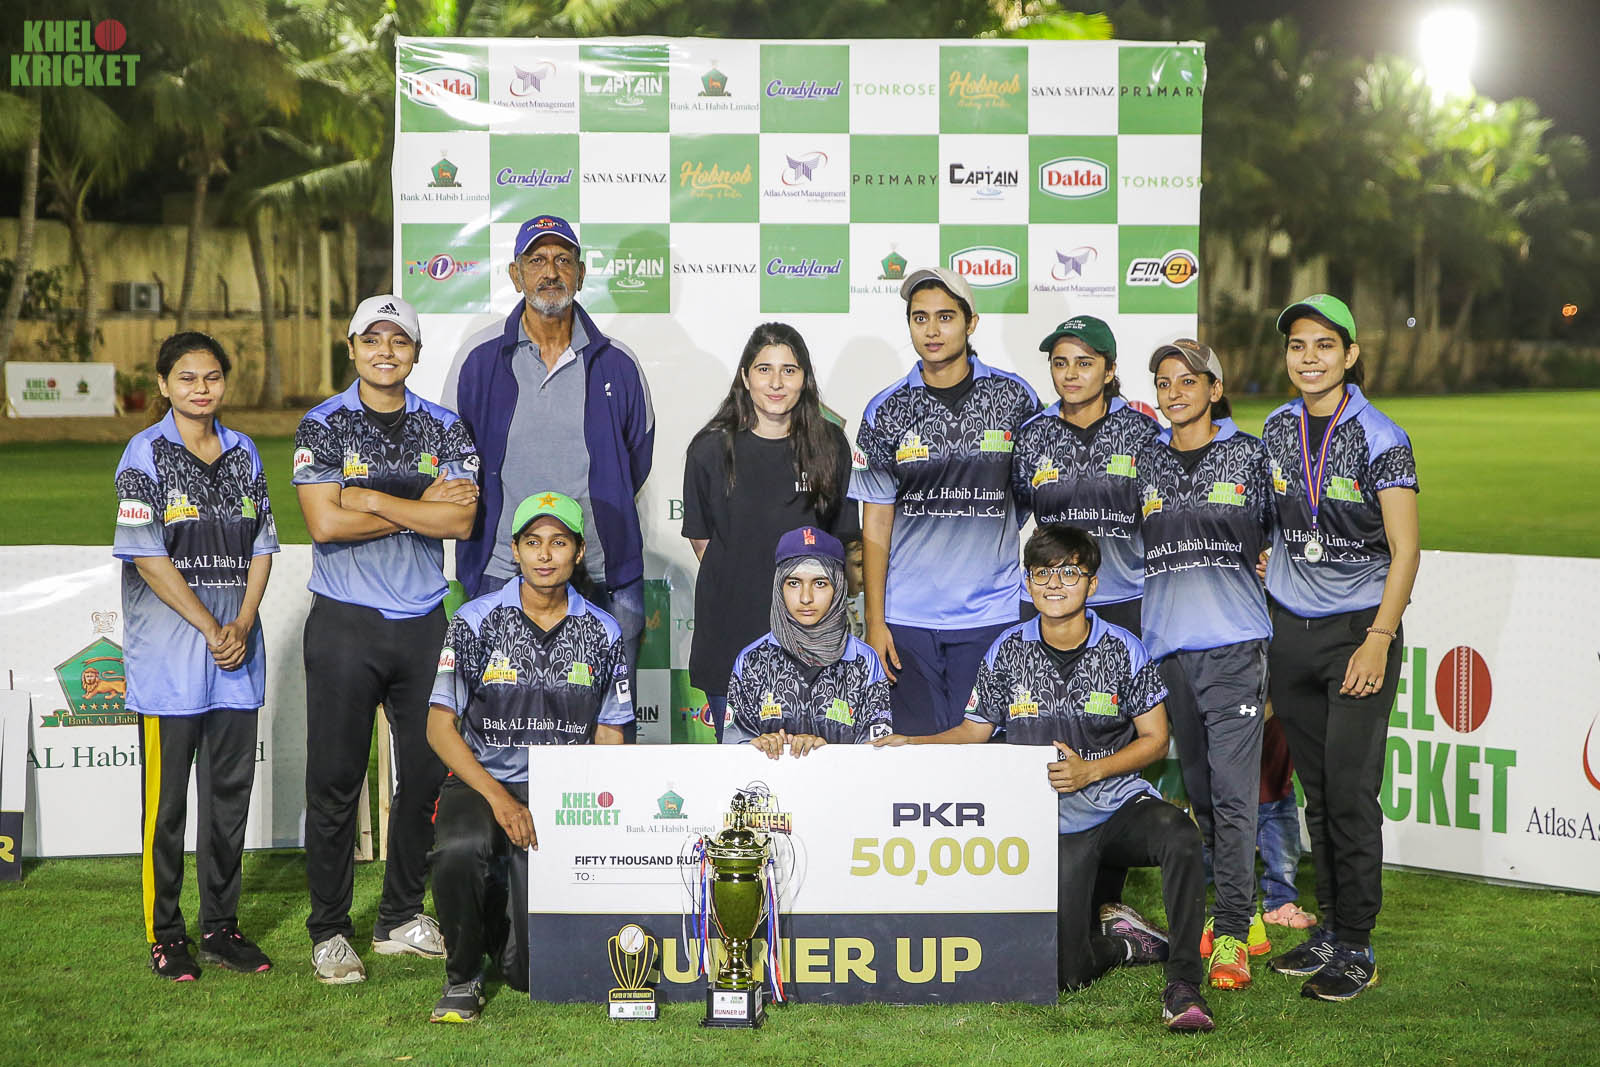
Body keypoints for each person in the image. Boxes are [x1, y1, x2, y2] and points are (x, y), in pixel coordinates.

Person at [875, 525, 1213, 1033]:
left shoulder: (1123, 648)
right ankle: (1126, 943)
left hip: (1115, 805)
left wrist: (1091, 770)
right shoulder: (1006, 650)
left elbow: (1155, 739)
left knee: (1180, 835)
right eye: (1042, 574)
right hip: (1045, 822)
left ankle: (1183, 982)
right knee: (1066, 973)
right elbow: (973, 731)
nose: (1055, 584)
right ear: (1027, 583)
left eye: (1069, 573)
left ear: (1092, 583)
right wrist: (914, 743)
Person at [293, 295, 480, 984]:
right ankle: (329, 929)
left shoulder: (445, 426)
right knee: (336, 779)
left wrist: (368, 498)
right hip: (345, 621)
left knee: (426, 773)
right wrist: (417, 509)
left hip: (424, 620)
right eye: (371, 339)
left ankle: (399, 914)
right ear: (351, 348)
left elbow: (459, 522)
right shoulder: (323, 423)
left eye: (398, 340)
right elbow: (324, 524)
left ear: (415, 354)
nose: (385, 351)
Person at [1260, 294, 1420, 1001]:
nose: (1310, 358)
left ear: (1350, 354)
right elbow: (1272, 519)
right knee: (1318, 794)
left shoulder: (1381, 435)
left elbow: (1406, 550)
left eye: (1325, 345)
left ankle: (1356, 942)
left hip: (1358, 632)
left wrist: (1378, 639)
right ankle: (1329, 928)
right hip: (1290, 631)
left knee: (1351, 794)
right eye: (1298, 345)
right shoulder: (1276, 428)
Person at [424, 492, 633, 1022]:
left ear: (578, 553)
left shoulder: (603, 631)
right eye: (533, 542)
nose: (544, 555)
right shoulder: (474, 621)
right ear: (514, 550)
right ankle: (462, 976)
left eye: (558, 543)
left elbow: (610, 731)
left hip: (562, 789)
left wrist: (591, 807)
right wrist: (499, 800)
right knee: (461, 848)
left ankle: (501, 918)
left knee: (527, 973)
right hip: (483, 780)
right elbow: (439, 728)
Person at [114, 331, 278, 980]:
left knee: (228, 803)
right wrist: (212, 625)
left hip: (236, 659)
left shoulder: (244, 452)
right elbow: (147, 558)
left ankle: (220, 927)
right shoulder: (145, 454)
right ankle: (166, 935)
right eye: (186, 378)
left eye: (211, 377)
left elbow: (262, 544)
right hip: (169, 667)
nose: (201, 388)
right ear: (163, 384)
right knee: (167, 811)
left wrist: (242, 621)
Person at [451, 214, 654, 729]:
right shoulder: (480, 363)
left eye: (563, 260)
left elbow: (635, 461)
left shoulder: (618, 364)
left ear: (581, 275)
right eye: (537, 260)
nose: (550, 272)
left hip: (604, 574)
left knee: (608, 727)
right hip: (501, 571)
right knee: (498, 725)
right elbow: (459, 462)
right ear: (515, 274)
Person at [1135, 338, 1274, 991]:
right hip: (1168, 646)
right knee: (1200, 790)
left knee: (1233, 793)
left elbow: (1290, 531)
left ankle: (1232, 933)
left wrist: (1276, 562)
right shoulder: (1144, 461)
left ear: (1215, 389)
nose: (1175, 392)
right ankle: (1244, 912)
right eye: (1165, 382)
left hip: (1235, 644)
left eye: (1188, 380)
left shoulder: (1252, 455)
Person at [850, 267, 1039, 736]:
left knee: (987, 755)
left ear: (971, 322)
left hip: (992, 614)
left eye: (945, 317)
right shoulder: (886, 409)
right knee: (916, 755)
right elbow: (876, 523)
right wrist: (875, 621)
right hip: (907, 620)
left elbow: (1028, 497)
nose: (932, 330)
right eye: (920, 318)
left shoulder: (1014, 398)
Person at [683, 324, 860, 741]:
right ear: (745, 377)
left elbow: (840, 542)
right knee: (741, 772)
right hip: (730, 634)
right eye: (764, 369)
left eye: (789, 370)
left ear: (805, 378)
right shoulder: (708, 449)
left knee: (815, 767)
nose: (776, 383)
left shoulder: (831, 445)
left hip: (814, 641)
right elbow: (703, 542)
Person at [1012, 316, 1160, 635]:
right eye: (1060, 363)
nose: (1070, 374)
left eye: (1084, 363)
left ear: (1109, 371)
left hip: (1127, 598)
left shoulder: (1144, 433)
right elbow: (1012, 514)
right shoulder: (1033, 435)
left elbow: (1164, 517)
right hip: (1053, 598)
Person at [723, 526, 892, 755]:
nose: (805, 597)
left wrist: (824, 754)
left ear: (838, 586)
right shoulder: (752, 661)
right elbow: (732, 752)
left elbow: (878, 754)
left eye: (820, 583)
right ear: (779, 587)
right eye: (793, 583)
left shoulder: (864, 662)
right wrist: (759, 747)